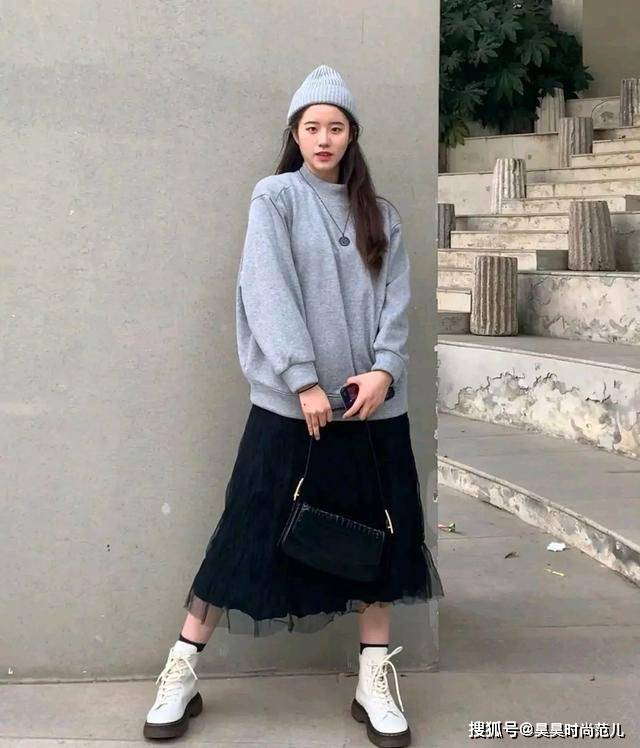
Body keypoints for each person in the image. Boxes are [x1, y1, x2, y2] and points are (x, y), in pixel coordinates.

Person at [142, 64, 444, 747]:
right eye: (312, 127)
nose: (324, 138)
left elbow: (397, 301)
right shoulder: (275, 198)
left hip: (370, 410)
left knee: (380, 539)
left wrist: (385, 372)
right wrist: (303, 380)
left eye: (335, 126)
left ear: (352, 134)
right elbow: (266, 289)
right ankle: (182, 670)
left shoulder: (382, 215)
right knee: (245, 531)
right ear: (296, 134)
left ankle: (373, 680)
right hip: (291, 408)